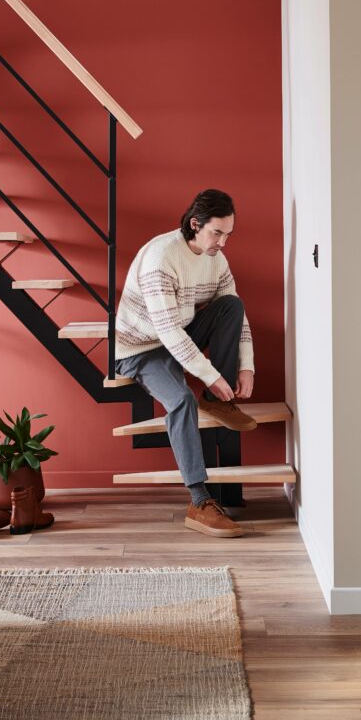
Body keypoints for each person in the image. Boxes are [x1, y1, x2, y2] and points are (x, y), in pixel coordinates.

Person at [115, 189, 256, 538]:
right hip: (141, 347)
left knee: (231, 306)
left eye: (228, 234)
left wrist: (246, 366)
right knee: (180, 401)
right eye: (217, 233)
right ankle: (198, 500)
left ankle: (217, 401)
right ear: (196, 224)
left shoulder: (214, 258)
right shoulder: (161, 258)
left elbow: (234, 309)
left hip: (179, 331)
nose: (223, 242)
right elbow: (166, 332)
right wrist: (208, 376)